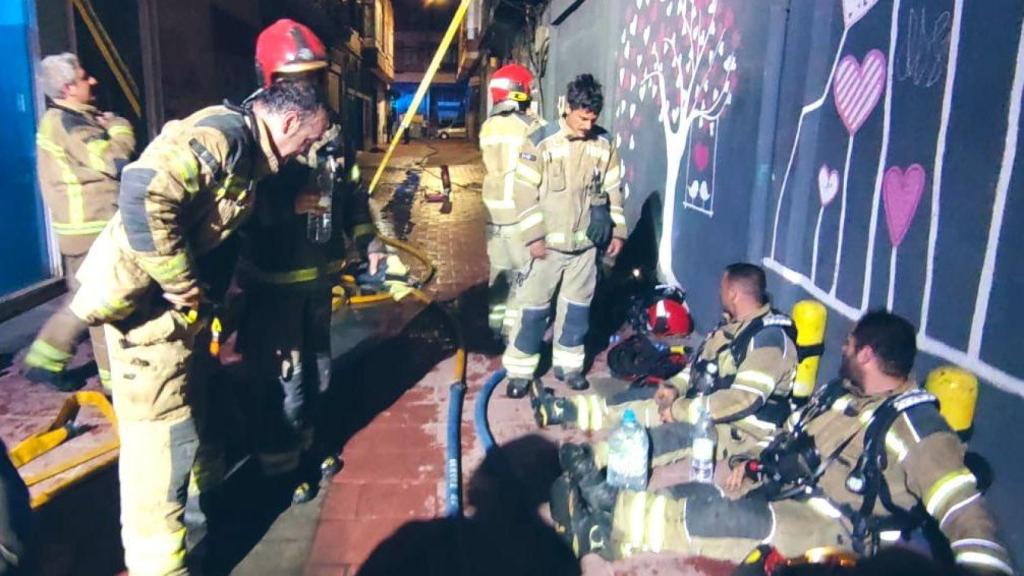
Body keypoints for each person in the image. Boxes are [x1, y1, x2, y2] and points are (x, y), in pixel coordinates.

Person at [68, 22, 330, 572]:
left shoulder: (253, 153)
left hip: (176, 321)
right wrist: (179, 282)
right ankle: (161, 566)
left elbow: (219, 218)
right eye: (304, 141)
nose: (303, 152)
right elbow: (143, 191)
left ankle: (209, 512)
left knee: (199, 421)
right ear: (285, 121)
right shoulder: (223, 137)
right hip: (145, 320)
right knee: (161, 451)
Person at [555, 311, 1014, 576]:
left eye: (851, 345)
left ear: (868, 354)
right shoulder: (841, 396)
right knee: (699, 494)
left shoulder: (918, 428)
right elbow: (791, 438)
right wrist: (751, 462)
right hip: (785, 490)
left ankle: (606, 522)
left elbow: (969, 518)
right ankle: (606, 511)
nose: (844, 350)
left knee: (721, 516)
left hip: (832, 527)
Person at [545, 263, 799, 491]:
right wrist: (674, 387)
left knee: (680, 434)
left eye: (722, 288)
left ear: (733, 293)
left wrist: (680, 410)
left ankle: (592, 458)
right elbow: (700, 366)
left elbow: (742, 399)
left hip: (741, 429)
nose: (719, 294)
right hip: (705, 408)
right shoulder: (732, 328)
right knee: (645, 396)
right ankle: (566, 410)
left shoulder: (769, 341)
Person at [237, 122, 385, 503]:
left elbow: (353, 199)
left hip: (318, 288)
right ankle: (279, 470)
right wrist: (289, 206)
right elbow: (237, 212)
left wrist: (368, 241)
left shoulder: (336, 141)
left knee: (318, 373)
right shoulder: (259, 145)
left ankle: (306, 446)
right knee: (285, 378)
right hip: (274, 291)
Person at [501, 73, 627, 398]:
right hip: (546, 249)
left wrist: (618, 231)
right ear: (568, 108)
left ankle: (569, 367)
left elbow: (614, 189)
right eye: (582, 118)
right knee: (532, 312)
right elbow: (524, 192)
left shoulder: (603, 144)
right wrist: (534, 237)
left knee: (576, 311)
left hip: (584, 250)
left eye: (592, 119)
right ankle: (520, 371)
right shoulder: (541, 141)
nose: (587, 125)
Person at [24, 53, 135, 392]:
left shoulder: (66, 119)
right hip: (91, 228)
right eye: (85, 77)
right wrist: (119, 127)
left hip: (81, 229)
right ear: (69, 87)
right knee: (105, 302)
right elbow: (114, 160)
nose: (93, 82)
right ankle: (115, 383)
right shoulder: (68, 123)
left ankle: (45, 360)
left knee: (85, 297)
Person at [479, 63, 544, 339]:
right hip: (519, 215)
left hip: (494, 217)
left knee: (499, 274)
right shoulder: (532, 127)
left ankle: (495, 325)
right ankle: (512, 332)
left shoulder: (488, 127)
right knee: (523, 276)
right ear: (519, 92)